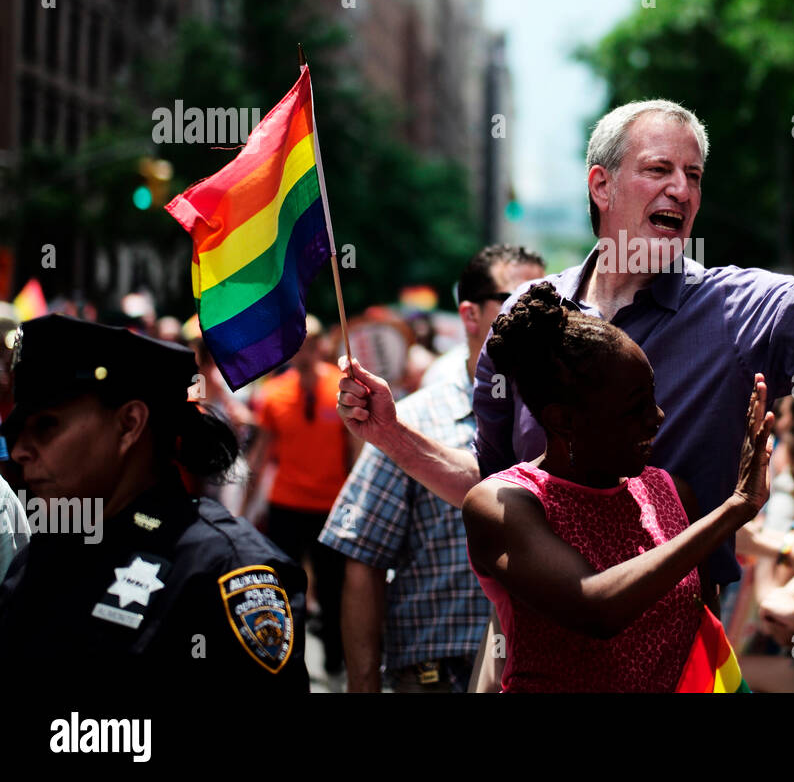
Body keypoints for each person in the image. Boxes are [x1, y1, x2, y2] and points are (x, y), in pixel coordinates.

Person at [339, 98, 794, 590]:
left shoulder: (737, 311)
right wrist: (393, 434)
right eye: (658, 170)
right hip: (536, 650)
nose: (680, 191)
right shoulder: (526, 318)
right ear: (602, 183)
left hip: (678, 654)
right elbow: (493, 491)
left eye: (694, 177)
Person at [459, 282, 774, 692]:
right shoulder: (501, 504)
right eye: (634, 406)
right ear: (563, 420)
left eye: (653, 397)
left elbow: (705, 646)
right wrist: (736, 508)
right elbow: (595, 609)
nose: (657, 417)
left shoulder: (672, 493)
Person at [0, 315, 308, 692]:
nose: (19, 451)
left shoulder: (225, 568)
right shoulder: (43, 554)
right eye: (18, 430)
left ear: (129, 424)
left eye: (46, 426)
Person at [319, 245, 545, 693]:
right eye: (517, 298)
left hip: (538, 674)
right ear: (470, 314)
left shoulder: (561, 421)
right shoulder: (411, 420)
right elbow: (363, 556)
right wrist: (362, 684)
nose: (537, 312)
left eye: (549, 297)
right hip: (438, 676)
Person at [246, 315, 351, 688]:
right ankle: (290, 665)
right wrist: (244, 506)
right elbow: (260, 452)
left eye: (310, 341)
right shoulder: (272, 394)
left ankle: (337, 660)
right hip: (286, 504)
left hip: (331, 506)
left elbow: (354, 450)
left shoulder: (342, 387)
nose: (303, 349)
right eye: (296, 342)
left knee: (334, 588)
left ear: (322, 344)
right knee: (286, 589)